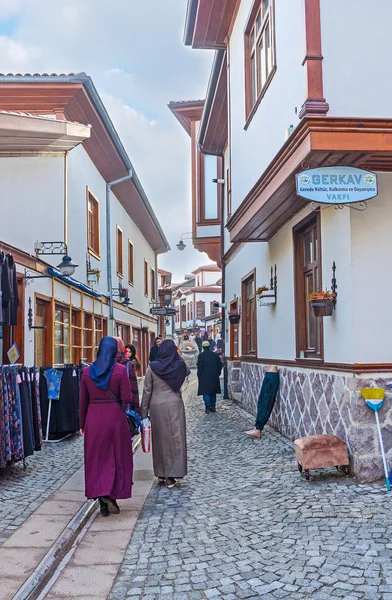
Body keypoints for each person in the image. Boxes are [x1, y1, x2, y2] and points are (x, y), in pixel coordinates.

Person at [80, 337, 133, 517]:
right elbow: (127, 397)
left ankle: (101, 496)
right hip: (115, 418)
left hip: (93, 418)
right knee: (116, 456)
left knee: (96, 458)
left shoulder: (87, 372)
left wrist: (82, 424)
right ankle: (112, 494)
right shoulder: (119, 370)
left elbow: (82, 401)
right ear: (114, 352)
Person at [141, 339, 189, 489]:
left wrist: (143, 414)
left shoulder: (152, 367)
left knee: (160, 439)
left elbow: (147, 391)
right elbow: (185, 376)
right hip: (174, 404)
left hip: (157, 406)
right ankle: (172, 475)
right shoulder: (179, 365)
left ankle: (161, 473)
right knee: (176, 439)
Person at [245, 366, 280, 438]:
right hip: (270, 375)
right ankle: (257, 428)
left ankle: (258, 429)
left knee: (265, 402)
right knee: (262, 402)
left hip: (271, 376)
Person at [115, 337, 140, 416]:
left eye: (130, 352)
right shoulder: (125, 363)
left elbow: (133, 386)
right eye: (127, 351)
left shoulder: (130, 363)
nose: (128, 353)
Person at [197, 340, 222, 413]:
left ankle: (207, 406)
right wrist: (217, 373)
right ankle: (213, 406)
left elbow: (200, 367)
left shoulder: (201, 356)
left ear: (203, 347)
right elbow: (220, 365)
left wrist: (199, 375)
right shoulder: (215, 355)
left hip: (204, 376)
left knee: (206, 392)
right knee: (213, 392)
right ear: (209, 346)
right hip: (214, 376)